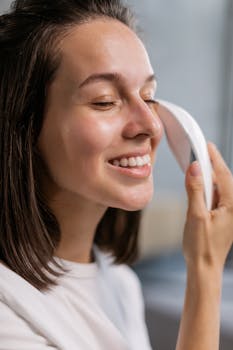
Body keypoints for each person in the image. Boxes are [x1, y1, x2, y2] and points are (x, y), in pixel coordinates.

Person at [0, 0, 232, 349]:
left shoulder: (120, 284)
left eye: (148, 95)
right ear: (24, 128)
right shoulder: (9, 312)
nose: (151, 124)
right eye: (105, 101)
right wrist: (205, 269)